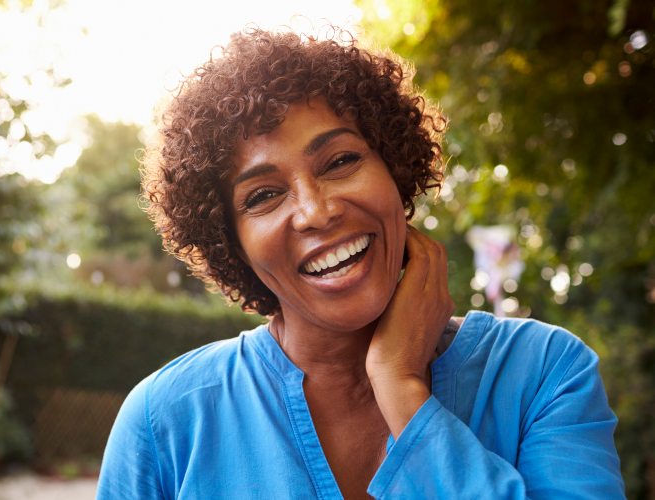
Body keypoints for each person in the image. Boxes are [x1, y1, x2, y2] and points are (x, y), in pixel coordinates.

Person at [96, 26, 624, 499]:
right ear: (231, 244)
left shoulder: (544, 374)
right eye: (261, 196)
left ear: (395, 168)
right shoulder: (166, 421)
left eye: (341, 161)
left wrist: (400, 388)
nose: (316, 212)